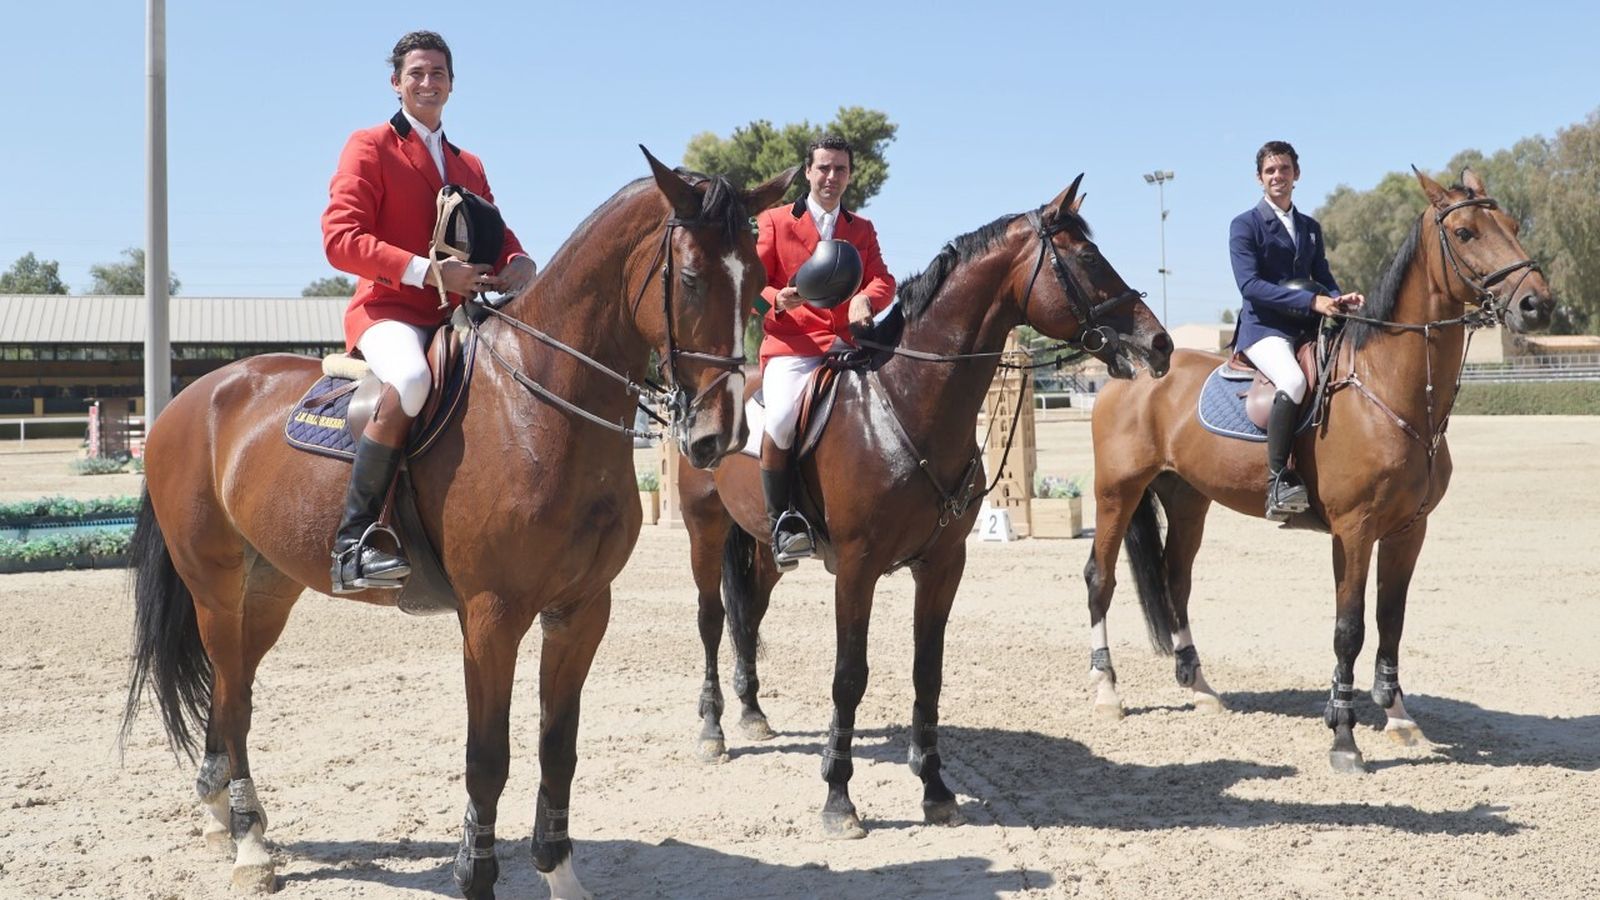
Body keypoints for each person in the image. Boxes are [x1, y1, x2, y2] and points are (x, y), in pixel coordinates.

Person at [321, 30, 535, 593]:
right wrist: (430, 271)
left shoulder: (469, 163)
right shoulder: (368, 145)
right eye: (416, 73)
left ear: (451, 85)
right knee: (413, 378)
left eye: (438, 72)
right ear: (397, 84)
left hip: (455, 318)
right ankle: (355, 540)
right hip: (389, 310)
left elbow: (496, 233)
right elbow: (340, 239)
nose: (427, 81)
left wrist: (519, 260)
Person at [754, 135, 895, 569]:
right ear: (809, 172)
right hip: (792, 346)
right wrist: (776, 299)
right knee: (779, 419)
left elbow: (883, 280)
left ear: (849, 175)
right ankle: (784, 523)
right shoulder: (775, 220)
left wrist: (866, 300)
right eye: (824, 168)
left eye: (841, 169)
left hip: (848, 346)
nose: (832, 177)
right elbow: (751, 284)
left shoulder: (862, 229)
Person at [1228, 140, 1364, 520]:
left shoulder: (1310, 227)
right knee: (1292, 382)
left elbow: (1322, 277)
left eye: (1284, 169)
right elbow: (1250, 286)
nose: (1278, 176)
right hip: (1264, 328)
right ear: (1259, 179)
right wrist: (1311, 303)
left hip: (1307, 325)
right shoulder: (1245, 225)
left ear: (1296, 175)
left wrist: (1339, 299)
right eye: (1270, 171)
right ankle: (1277, 479)